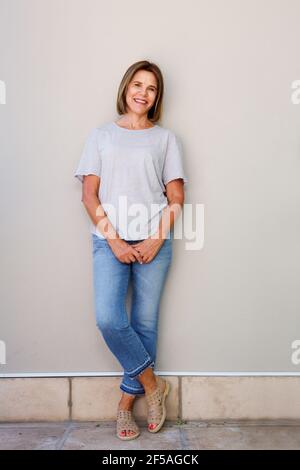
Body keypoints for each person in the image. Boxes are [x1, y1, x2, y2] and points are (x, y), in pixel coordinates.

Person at [74, 60, 188, 440]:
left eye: (151, 88)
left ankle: (125, 407)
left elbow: (176, 196)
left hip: (155, 239)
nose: (143, 92)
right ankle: (155, 386)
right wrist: (116, 240)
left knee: (144, 324)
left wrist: (156, 238)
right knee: (109, 319)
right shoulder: (101, 136)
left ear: (157, 97)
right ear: (125, 88)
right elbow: (89, 195)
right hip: (110, 241)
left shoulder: (165, 139)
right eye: (137, 84)